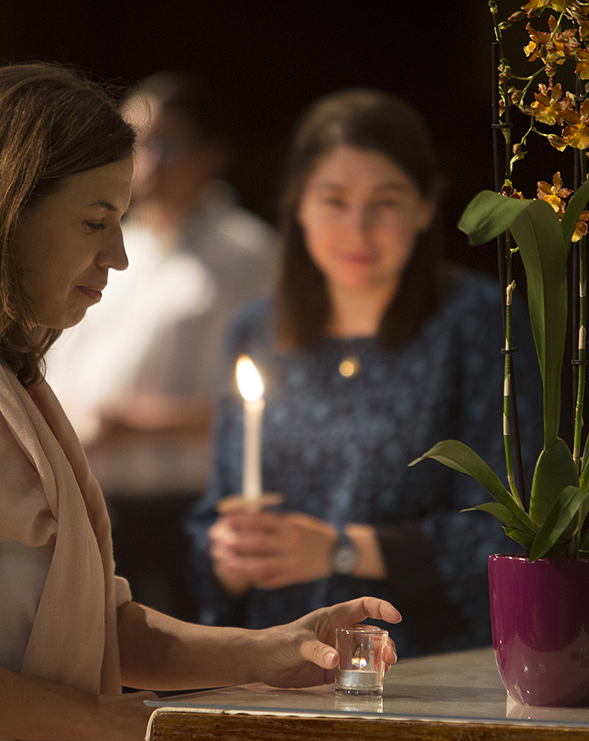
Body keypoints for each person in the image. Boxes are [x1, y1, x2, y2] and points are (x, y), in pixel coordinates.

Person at [0, 63, 400, 741]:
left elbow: (98, 632)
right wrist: (93, 721)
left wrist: (267, 652)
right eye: (95, 221)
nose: (117, 255)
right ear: (6, 211)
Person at [185, 89, 540, 657]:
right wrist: (227, 557)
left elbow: (510, 535)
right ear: (299, 204)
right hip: (281, 657)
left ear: (426, 207)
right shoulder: (257, 330)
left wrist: (340, 549)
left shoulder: (475, 322)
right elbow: (215, 513)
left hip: (423, 661)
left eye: (386, 202)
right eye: (334, 200)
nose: (358, 227)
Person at [43, 72, 277, 621]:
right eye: (135, 144)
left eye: (167, 145)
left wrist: (137, 425)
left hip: (184, 506)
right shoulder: (115, 239)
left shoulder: (246, 254)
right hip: (93, 495)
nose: (149, 163)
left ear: (212, 154)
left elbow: (267, 398)